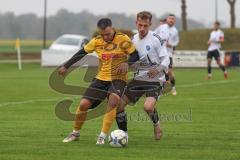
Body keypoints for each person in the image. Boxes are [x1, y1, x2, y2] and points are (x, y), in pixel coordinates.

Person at [58, 18, 138, 143]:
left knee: (113, 100)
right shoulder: (96, 41)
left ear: (112, 28)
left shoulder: (123, 39)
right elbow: (81, 53)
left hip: (118, 79)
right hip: (101, 78)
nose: (106, 37)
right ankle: (75, 133)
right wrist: (66, 66)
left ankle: (102, 136)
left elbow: (135, 54)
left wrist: (128, 63)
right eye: (103, 35)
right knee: (84, 104)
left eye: (108, 34)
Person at [96, 11, 169, 144]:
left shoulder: (156, 39)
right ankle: (123, 134)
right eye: (140, 25)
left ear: (150, 25)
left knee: (148, 107)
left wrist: (157, 69)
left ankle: (156, 124)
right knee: (118, 106)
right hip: (138, 78)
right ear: (136, 23)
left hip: (155, 79)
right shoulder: (132, 40)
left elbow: (166, 60)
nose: (142, 29)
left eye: (145, 26)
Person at [155, 14, 179, 95]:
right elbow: (153, 35)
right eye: (170, 18)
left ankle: (173, 88)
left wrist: (171, 45)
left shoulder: (175, 31)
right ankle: (158, 88)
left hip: (168, 54)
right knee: (158, 71)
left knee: (169, 72)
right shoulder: (161, 27)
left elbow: (176, 42)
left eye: (173, 19)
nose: (171, 20)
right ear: (167, 20)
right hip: (159, 54)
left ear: (174, 21)